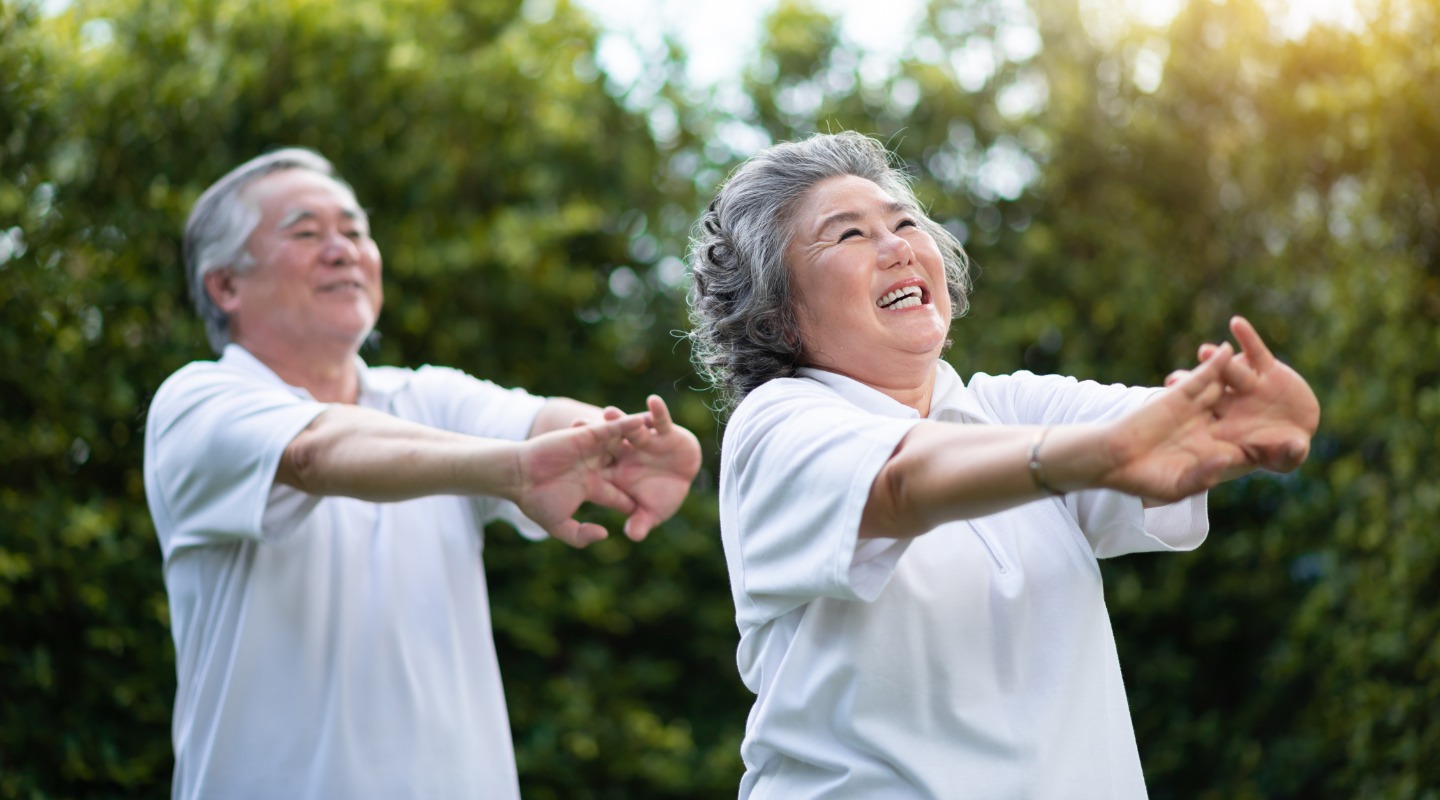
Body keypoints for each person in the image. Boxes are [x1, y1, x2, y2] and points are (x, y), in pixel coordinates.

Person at [686, 131, 1319, 799]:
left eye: (904, 222)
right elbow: (903, 482)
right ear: (778, 317)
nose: (898, 245)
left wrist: (1238, 415)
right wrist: (1096, 456)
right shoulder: (777, 424)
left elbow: (1167, 431)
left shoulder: (1007, 404)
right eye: (848, 236)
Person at [143, 148, 701, 800]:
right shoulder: (197, 403)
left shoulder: (429, 398)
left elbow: (546, 427)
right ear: (225, 285)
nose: (343, 249)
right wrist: (512, 469)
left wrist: (628, 443)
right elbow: (313, 452)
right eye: (305, 232)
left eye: (354, 231)